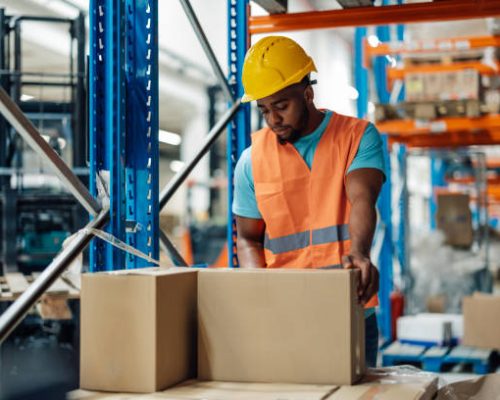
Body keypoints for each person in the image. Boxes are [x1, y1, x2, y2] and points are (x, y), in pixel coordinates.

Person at [232, 36, 385, 367]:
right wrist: (256, 295)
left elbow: (362, 198)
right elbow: (247, 238)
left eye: (281, 106)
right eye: (264, 110)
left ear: (307, 94)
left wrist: (359, 253)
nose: (273, 119)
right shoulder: (251, 161)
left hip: (350, 308)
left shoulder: (357, 136)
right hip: (287, 316)